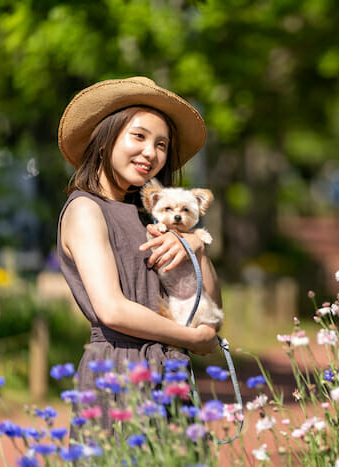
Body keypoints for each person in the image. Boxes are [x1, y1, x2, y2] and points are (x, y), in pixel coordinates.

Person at [56, 76, 221, 432]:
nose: (151, 152)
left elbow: (208, 309)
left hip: (170, 372)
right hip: (118, 371)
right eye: (139, 136)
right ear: (104, 139)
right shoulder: (85, 209)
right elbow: (112, 309)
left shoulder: (153, 216)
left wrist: (197, 248)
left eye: (161, 144)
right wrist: (190, 338)